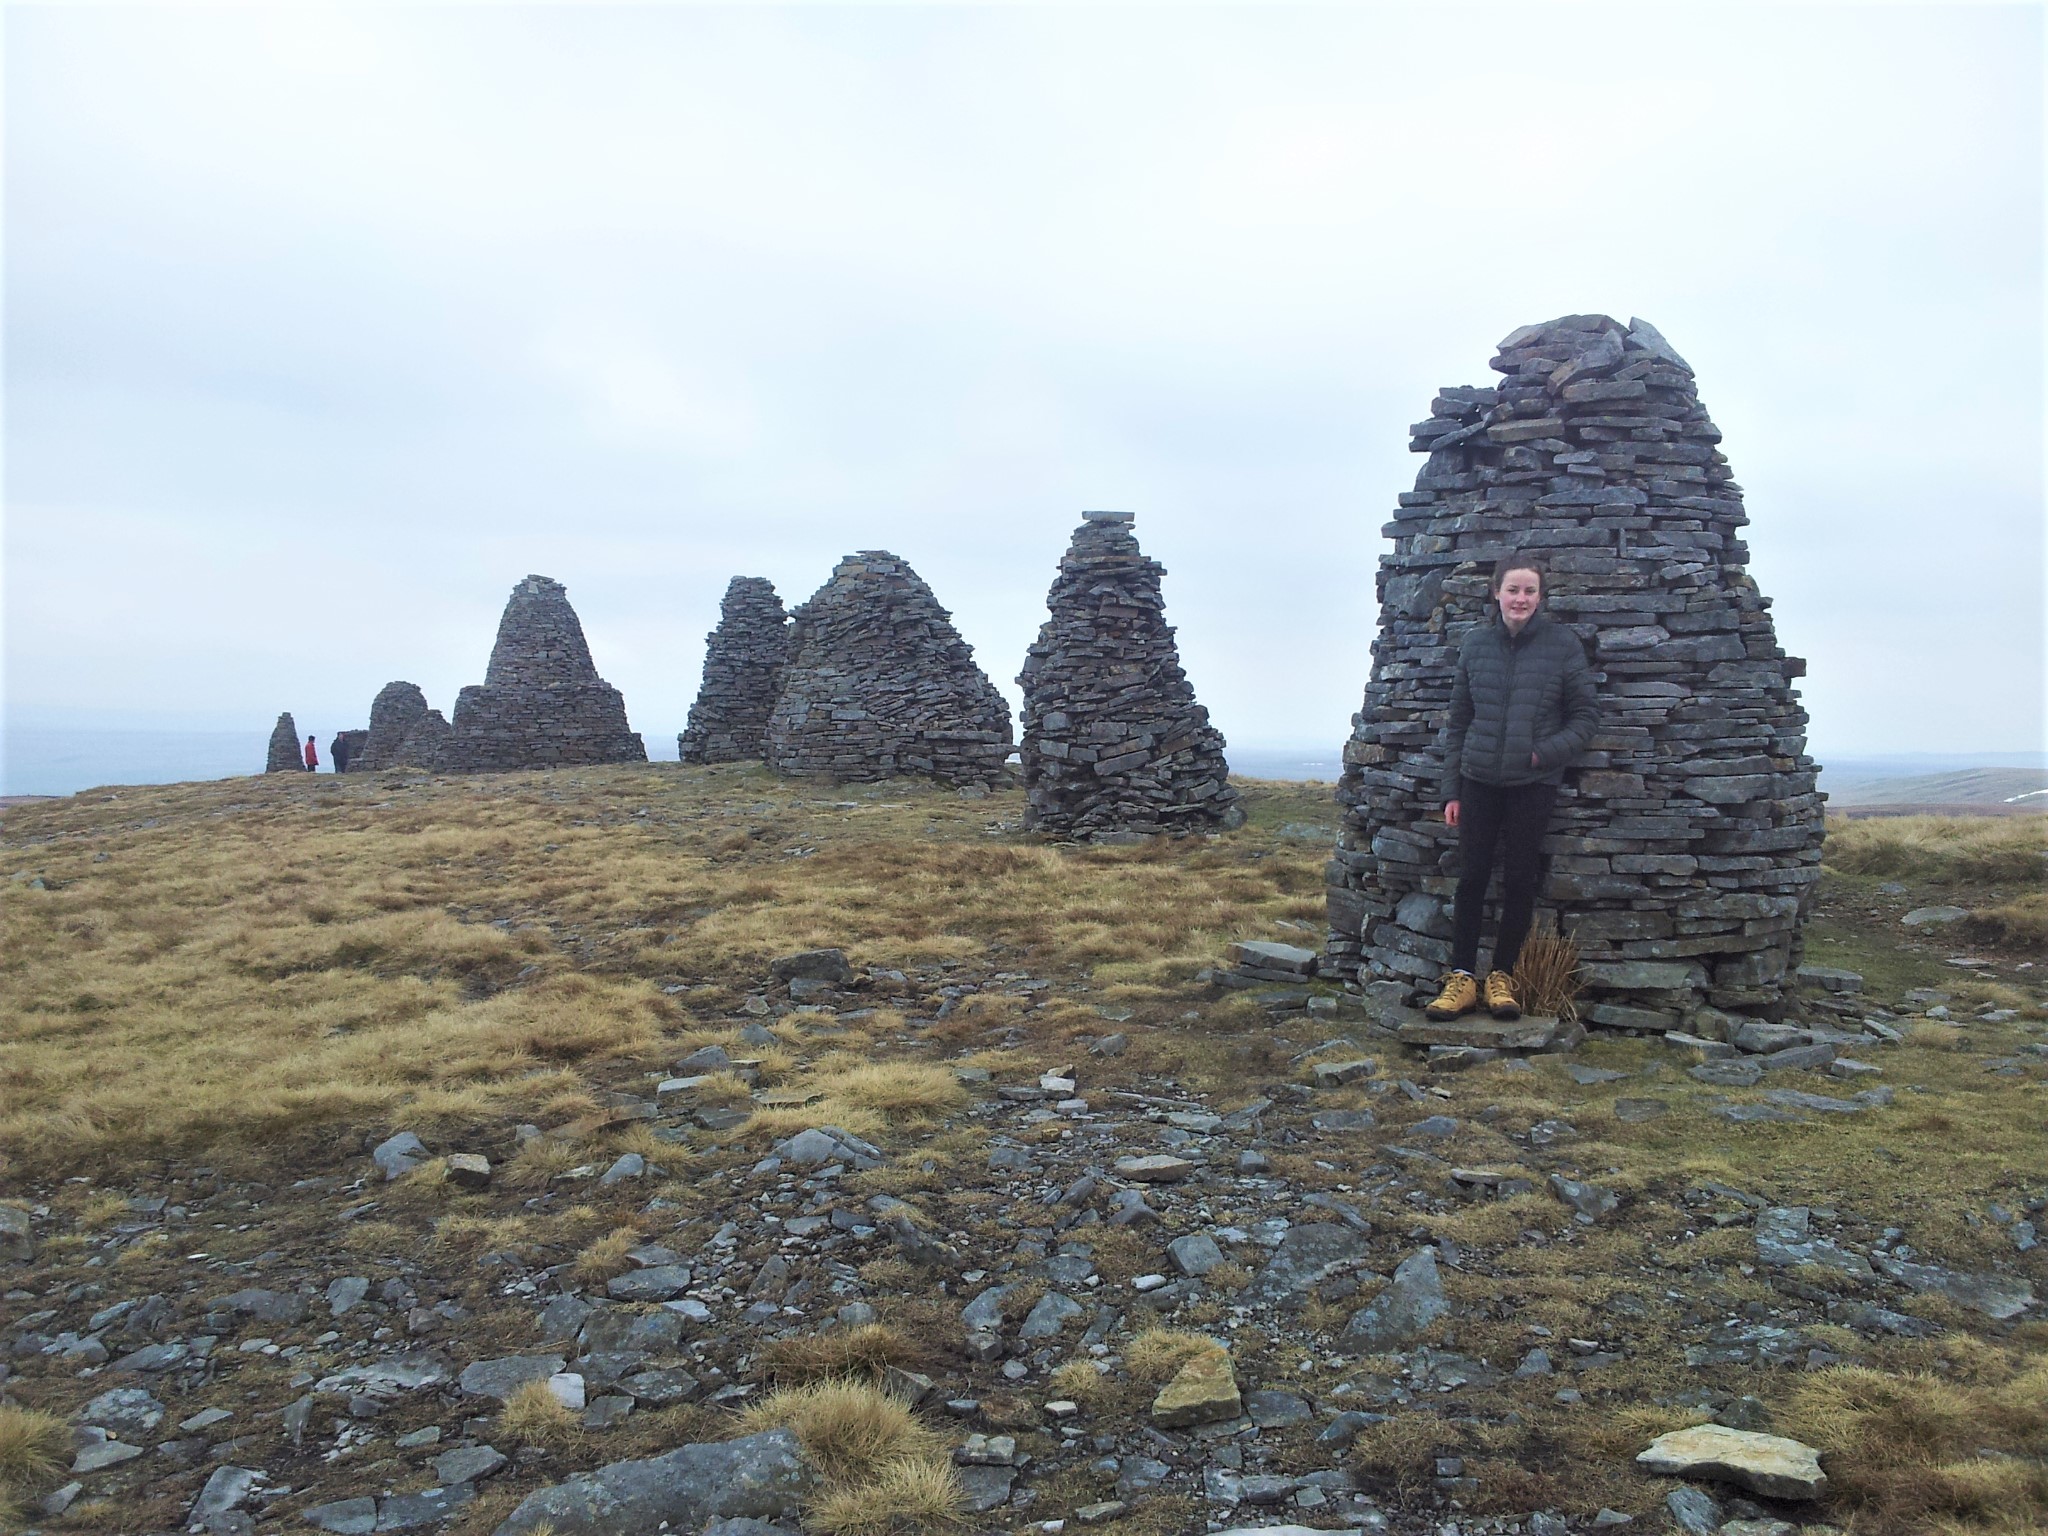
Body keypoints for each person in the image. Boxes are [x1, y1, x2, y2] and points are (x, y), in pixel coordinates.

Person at [1425, 552, 1600, 1022]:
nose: (1520, 598)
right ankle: (1461, 979)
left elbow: (1585, 716)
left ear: (1540, 597)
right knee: (1472, 877)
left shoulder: (1562, 645)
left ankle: (1502, 978)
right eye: (1513, 589)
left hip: (1532, 784)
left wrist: (1541, 755)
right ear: (1496, 592)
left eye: (1529, 590)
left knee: (1521, 879)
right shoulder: (1476, 644)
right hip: (1477, 781)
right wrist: (1451, 790)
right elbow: (1458, 723)